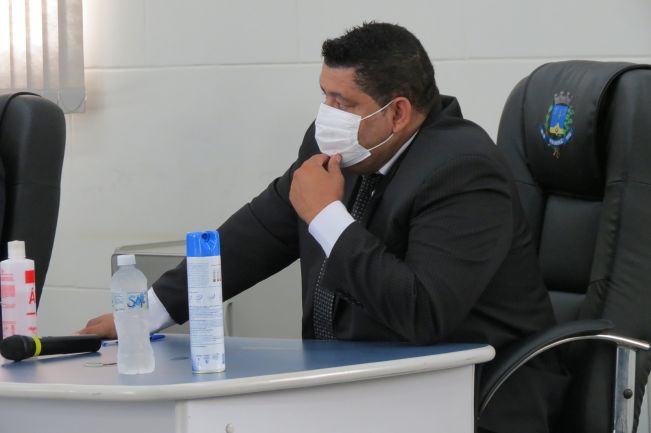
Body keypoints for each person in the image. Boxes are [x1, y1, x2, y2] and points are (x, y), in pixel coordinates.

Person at [79, 22, 567, 433]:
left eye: (344, 102)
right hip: (362, 386)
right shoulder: (336, 144)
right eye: (324, 96)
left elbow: (423, 312)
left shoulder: (463, 170)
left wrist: (327, 217)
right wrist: (150, 313)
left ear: (398, 112)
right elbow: (262, 230)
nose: (328, 116)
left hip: (475, 396)